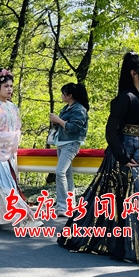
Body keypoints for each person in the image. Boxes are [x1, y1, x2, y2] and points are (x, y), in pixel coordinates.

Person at [58, 53, 139, 266]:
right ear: (134, 73)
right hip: (126, 153)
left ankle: (135, 244)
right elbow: (111, 131)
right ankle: (129, 246)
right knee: (128, 198)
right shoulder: (125, 97)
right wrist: (123, 157)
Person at [0, 68, 41, 228]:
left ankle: (3, 218)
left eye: (11, 86)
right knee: (1, 187)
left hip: (9, 153)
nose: (9, 89)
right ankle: (22, 218)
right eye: (6, 86)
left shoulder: (13, 108)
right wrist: (10, 137)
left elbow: (18, 128)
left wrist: (12, 138)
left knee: (8, 186)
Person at [48, 83, 89, 216]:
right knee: (67, 174)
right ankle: (70, 205)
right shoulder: (67, 108)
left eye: (63, 93)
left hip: (71, 144)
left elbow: (74, 128)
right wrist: (56, 121)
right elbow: (64, 125)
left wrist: (58, 120)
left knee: (60, 172)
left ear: (70, 95)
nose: (61, 96)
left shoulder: (79, 109)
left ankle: (63, 206)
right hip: (62, 142)